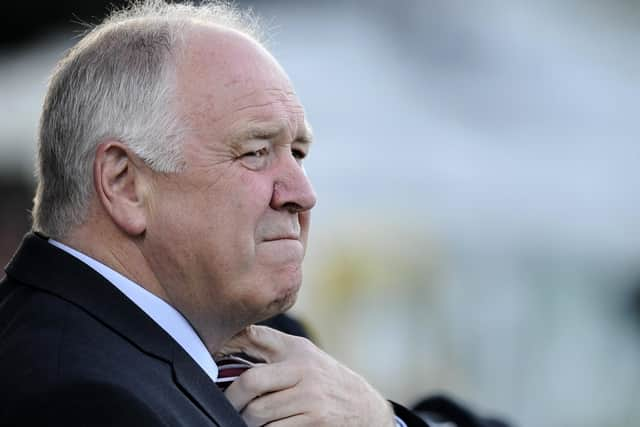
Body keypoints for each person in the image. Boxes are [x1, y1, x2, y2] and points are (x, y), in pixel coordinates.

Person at [0, 1, 510, 426]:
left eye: (299, 154)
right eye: (255, 151)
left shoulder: (263, 345)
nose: (302, 193)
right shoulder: (78, 396)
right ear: (125, 184)